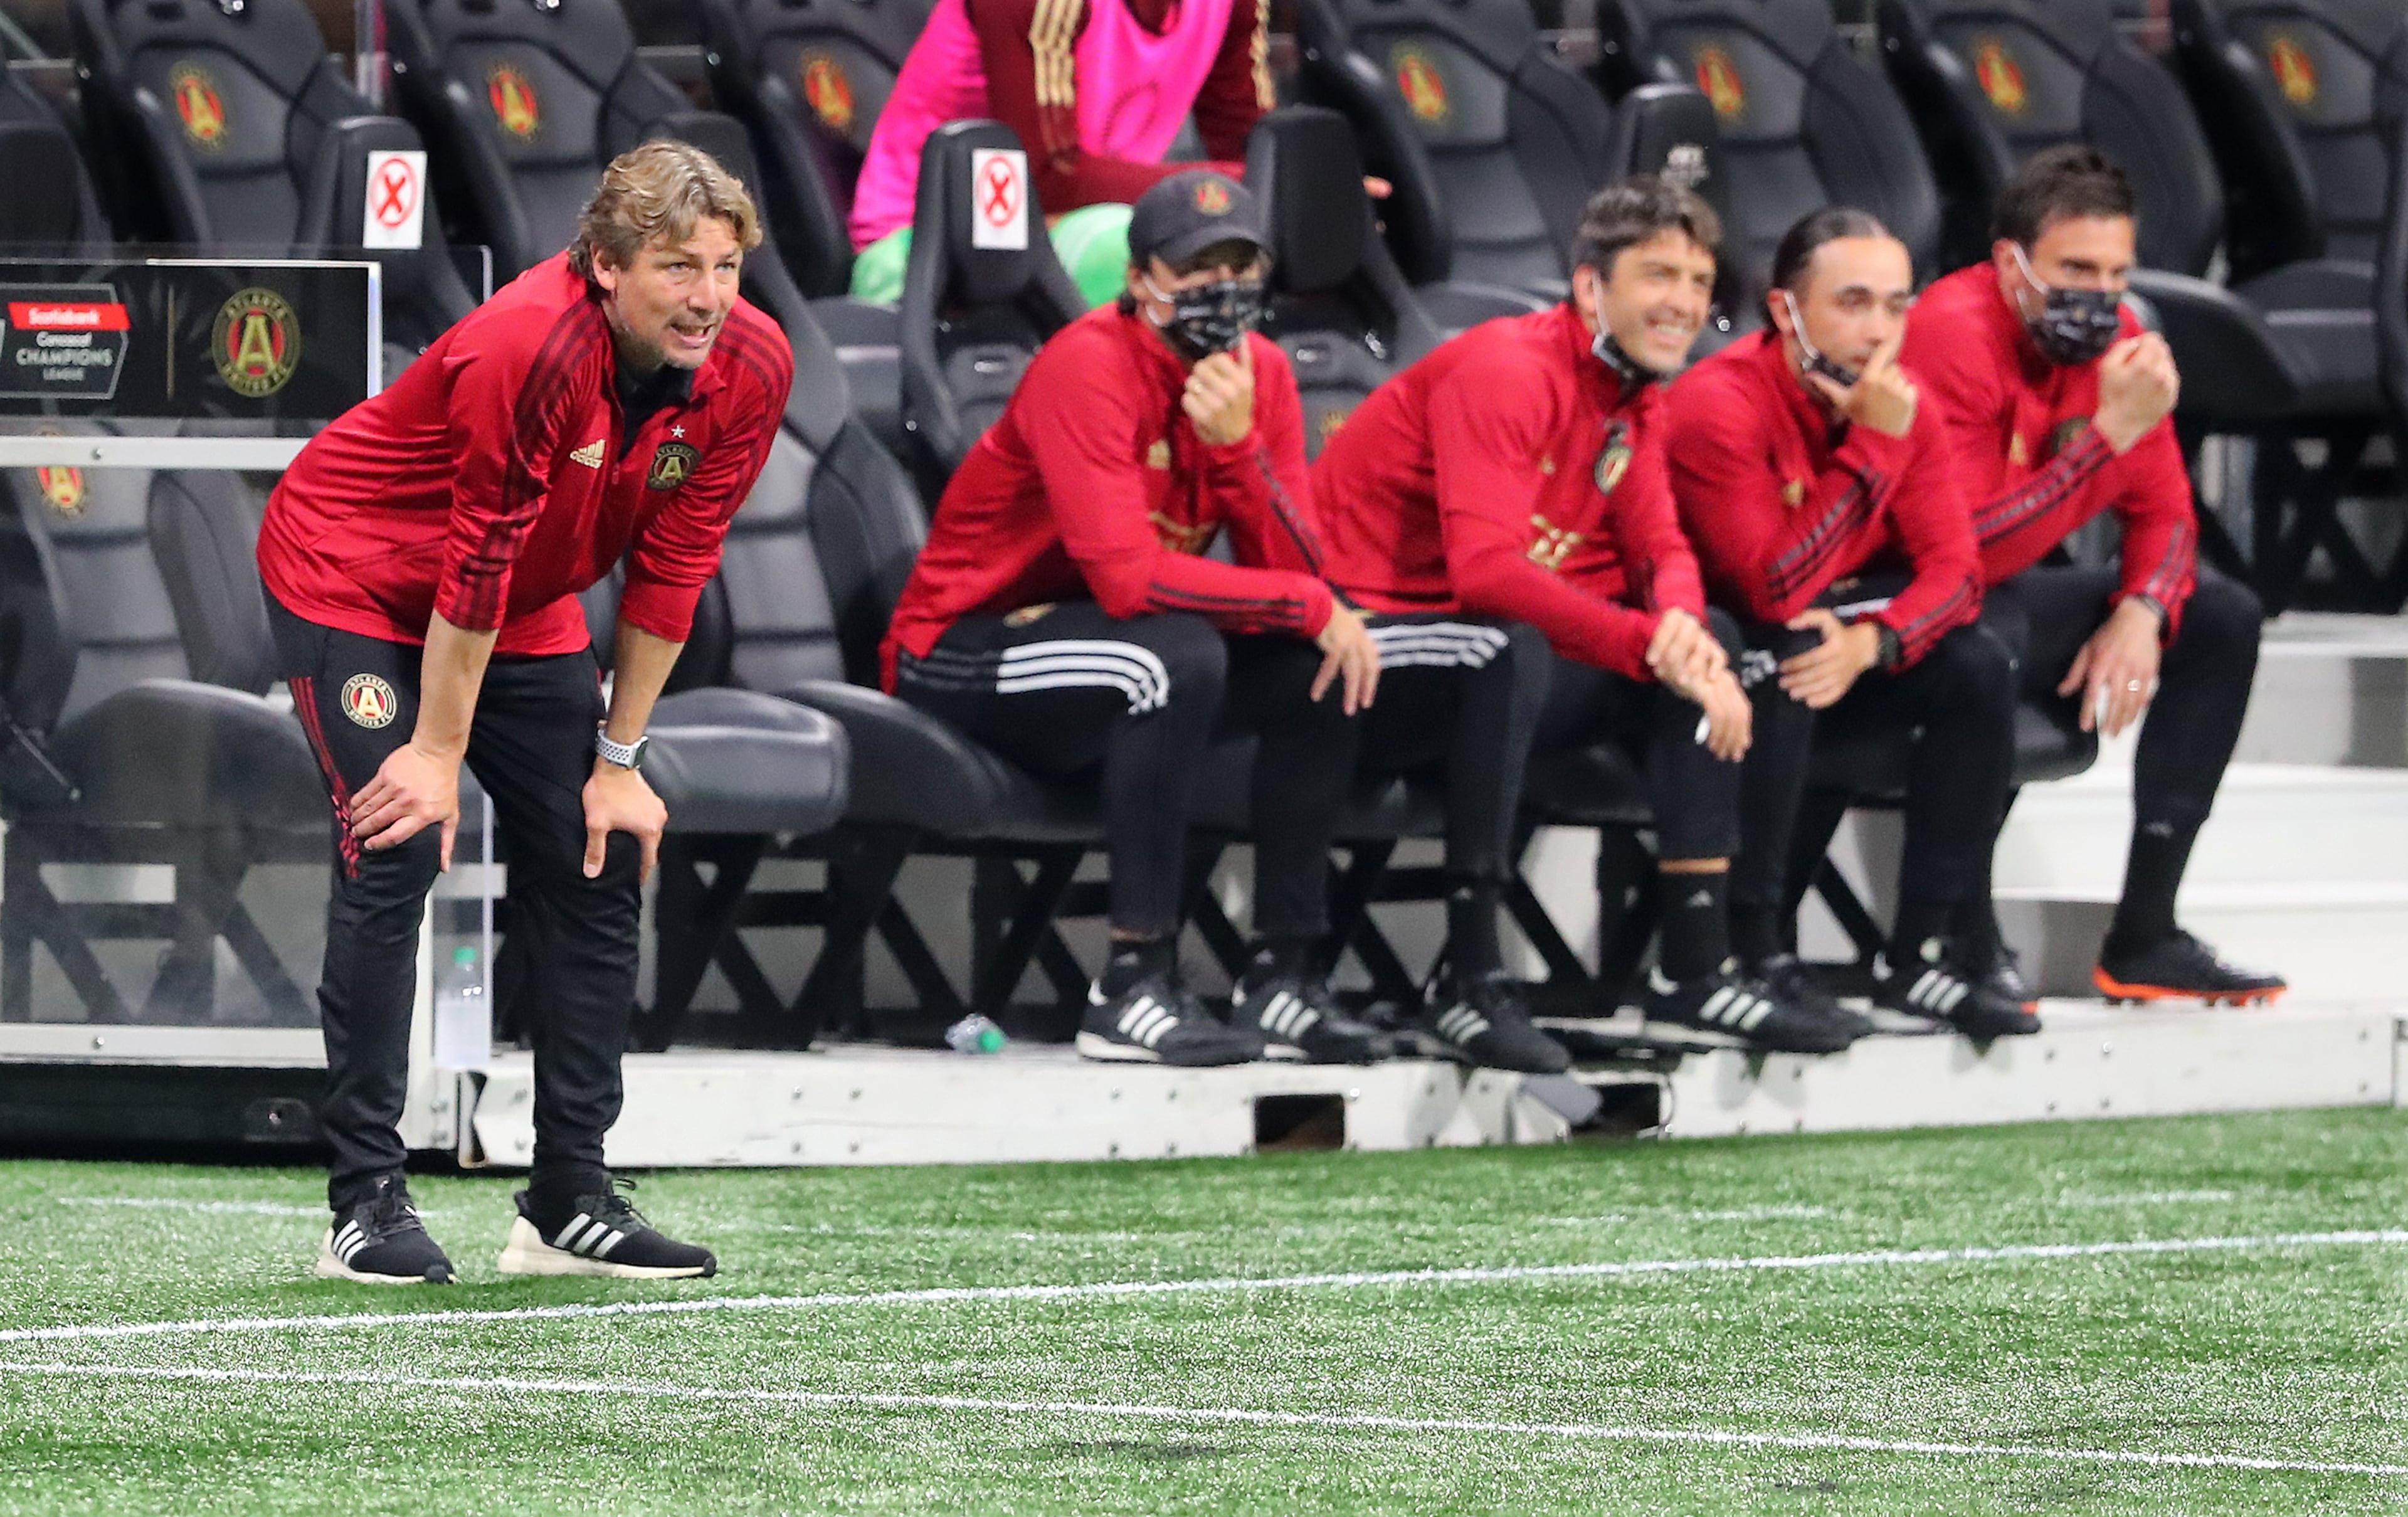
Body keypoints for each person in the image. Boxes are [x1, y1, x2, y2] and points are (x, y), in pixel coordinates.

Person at [257, 143, 795, 1285]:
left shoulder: (752, 365)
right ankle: (364, 1197)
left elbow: (675, 562)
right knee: (396, 839)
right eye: (676, 267)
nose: (708, 296)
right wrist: (436, 753)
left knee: (600, 848)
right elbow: (475, 562)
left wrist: (620, 756)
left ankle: (568, 1198)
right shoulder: (529, 345)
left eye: (726, 266)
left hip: (523, 601)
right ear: (604, 264)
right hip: (353, 572)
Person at [1314, 177, 1859, 1059]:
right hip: (1374, 650)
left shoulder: (1633, 391)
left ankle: (1701, 968)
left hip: (1485, 656)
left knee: (1728, 641)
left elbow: (1661, 551)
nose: (1682, 301)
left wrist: (1683, 632)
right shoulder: (1508, 369)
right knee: (1516, 647)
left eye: (1695, 280)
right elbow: (1488, 573)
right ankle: (1471, 980)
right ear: (1589, 288)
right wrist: (1649, 644)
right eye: (1657, 275)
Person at [882, 170, 1388, 1067]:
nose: (1220, 288)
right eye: (1195, 269)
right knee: (1175, 657)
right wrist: (1310, 602)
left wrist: (1237, 454)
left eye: (1240, 264)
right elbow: (1125, 580)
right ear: (1141, 278)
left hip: (1100, 648)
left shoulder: (1261, 375)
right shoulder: (1089, 363)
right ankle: (1131, 984)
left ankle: (1281, 975)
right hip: (964, 648)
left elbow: (1304, 569)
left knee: (1322, 663)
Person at [1902, 145, 2284, 1007]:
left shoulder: (2129, 339)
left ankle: (2147, 933)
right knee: (1985, 634)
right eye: (2075, 269)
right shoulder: (1947, 334)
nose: (2099, 298)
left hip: (2006, 589)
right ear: (2011, 263)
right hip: (1909, 603)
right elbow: (1961, 556)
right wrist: (2106, 438)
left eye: (2116, 274)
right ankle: (1961, 935)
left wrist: (2142, 610)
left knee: (2221, 615)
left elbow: (2169, 514)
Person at [1668, 208, 2032, 1039]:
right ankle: (1756, 950)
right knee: (1793, 645)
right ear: (1784, 308)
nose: (1879, 331)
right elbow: (1771, 583)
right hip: (1715, 655)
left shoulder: (1906, 408)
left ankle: (1927, 949)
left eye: (1897, 306)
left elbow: (1959, 571)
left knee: (1977, 664)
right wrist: (1871, 448)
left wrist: (1880, 643)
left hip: (1831, 645)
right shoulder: (1718, 406)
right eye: (1854, 303)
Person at [845, 0, 1272, 305]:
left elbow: (1254, 143)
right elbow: (1044, 178)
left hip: (1094, 218)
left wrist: (1260, 192)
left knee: (1281, 230)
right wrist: (1220, 193)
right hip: (927, 242)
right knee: (1140, 254)